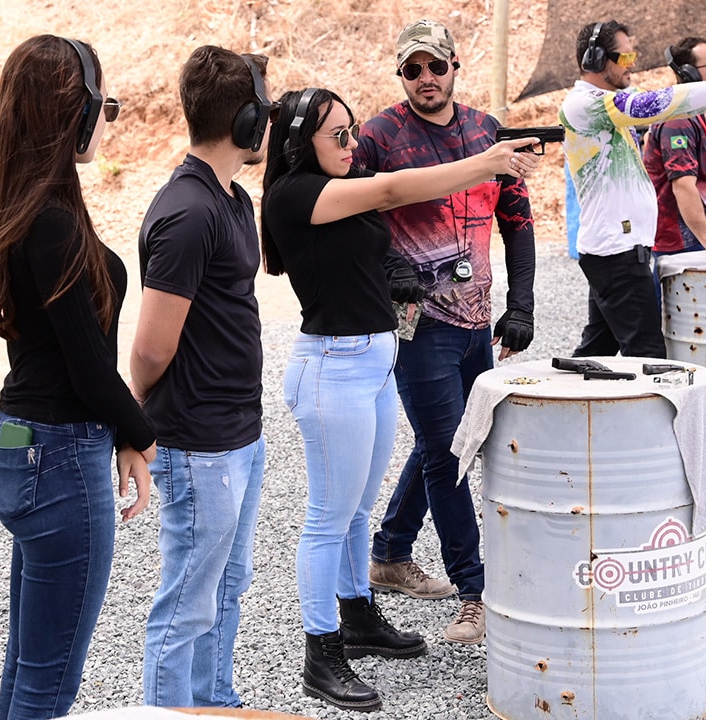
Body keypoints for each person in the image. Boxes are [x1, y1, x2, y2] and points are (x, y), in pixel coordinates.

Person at [263, 87, 538, 710]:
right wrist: (486, 161)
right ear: (298, 143)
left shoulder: (337, 179)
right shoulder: (296, 194)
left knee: (358, 511)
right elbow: (395, 189)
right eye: (337, 135)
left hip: (369, 363)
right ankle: (320, 652)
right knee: (327, 519)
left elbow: (383, 218)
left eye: (352, 129)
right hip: (331, 368)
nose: (351, 143)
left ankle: (358, 616)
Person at [0, 36, 156, 719]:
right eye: (101, 105)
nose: (107, 119)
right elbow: (88, 368)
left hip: (25, 444)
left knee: (28, 670)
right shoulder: (49, 222)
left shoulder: (33, 207)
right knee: (48, 685)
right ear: (70, 114)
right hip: (59, 455)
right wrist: (143, 437)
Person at [352, 18, 539, 645]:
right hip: (418, 324)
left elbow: (517, 219)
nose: (425, 79)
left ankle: (389, 552)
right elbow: (350, 214)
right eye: (412, 69)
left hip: (478, 320)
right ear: (400, 75)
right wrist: (390, 263)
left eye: (436, 66)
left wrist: (524, 305)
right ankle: (474, 592)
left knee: (455, 437)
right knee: (446, 451)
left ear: (455, 66)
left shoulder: (486, 131)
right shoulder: (378, 135)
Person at [132, 46, 270, 709]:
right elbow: (150, 351)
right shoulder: (189, 212)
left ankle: (213, 703)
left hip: (240, 433)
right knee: (187, 603)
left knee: (228, 585)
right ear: (246, 121)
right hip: (199, 444)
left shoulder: (232, 200)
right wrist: (136, 419)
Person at [560, 20, 706, 358]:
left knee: (596, 353)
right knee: (649, 357)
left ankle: (567, 407)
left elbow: (677, 101)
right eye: (625, 55)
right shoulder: (586, 104)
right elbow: (656, 104)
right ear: (596, 59)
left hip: (617, 249)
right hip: (616, 253)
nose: (632, 62)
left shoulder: (609, 100)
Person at [644, 37, 706, 258]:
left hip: (687, 237)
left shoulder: (690, 113)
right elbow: (683, 186)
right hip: (680, 242)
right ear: (690, 74)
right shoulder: (678, 121)